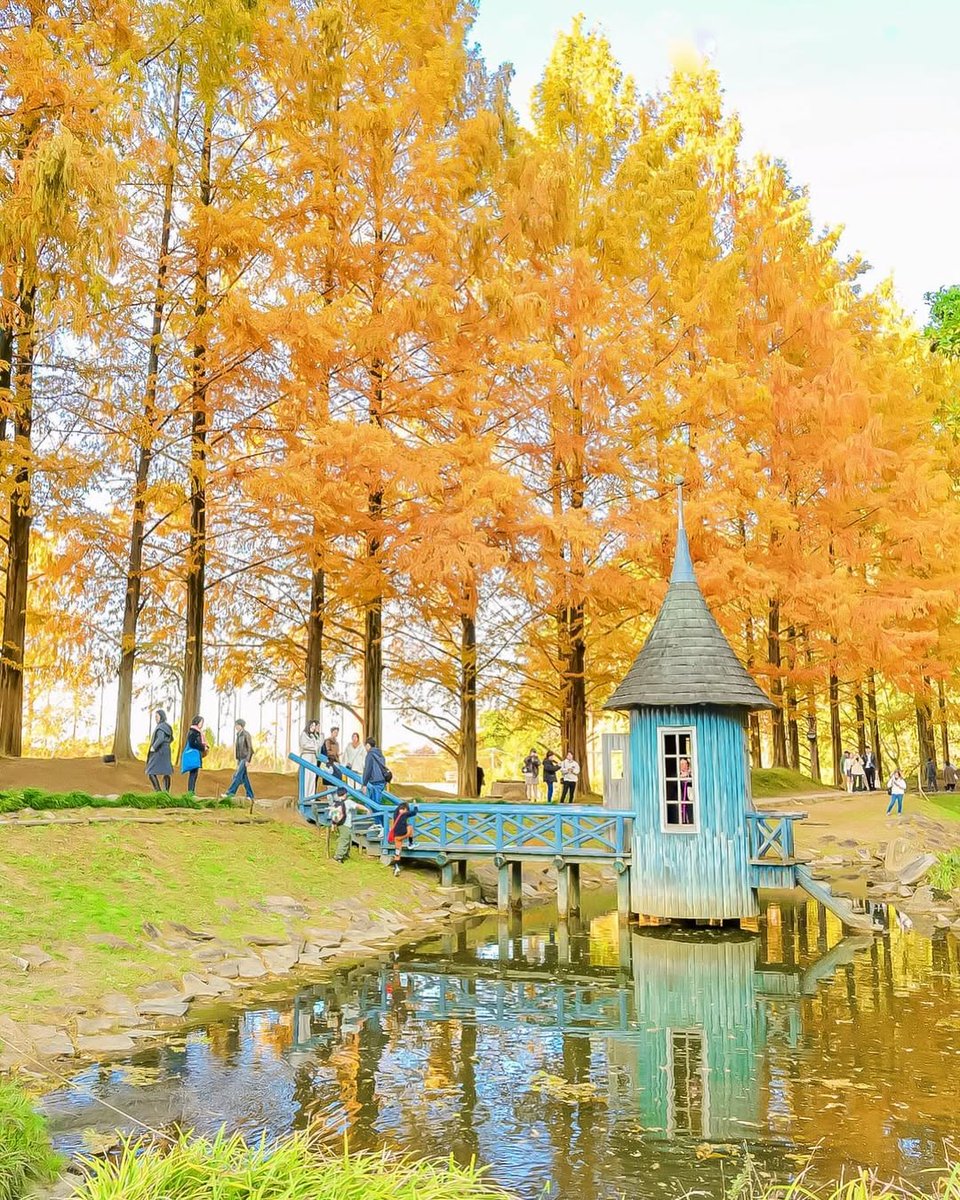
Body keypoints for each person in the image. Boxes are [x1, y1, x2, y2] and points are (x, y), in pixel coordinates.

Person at [330, 787, 367, 863]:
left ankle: (345, 854)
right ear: (345, 794)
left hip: (339, 824)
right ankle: (338, 857)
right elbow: (357, 806)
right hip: (346, 824)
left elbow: (333, 815)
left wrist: (333, 825)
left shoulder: (335, 803)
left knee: (347, 839)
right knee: (344, 840)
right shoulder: (348, 802)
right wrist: (366, 809)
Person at [225, 718, 255, 800]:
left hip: (245, 758)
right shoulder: (238, 735)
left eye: (237, 725)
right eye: (235, 725)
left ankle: (230, 793)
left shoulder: (246, 734)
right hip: (240, 759)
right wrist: (237, 759)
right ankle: (250, 795)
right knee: (244, 778)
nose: (236, 726)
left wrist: (248, 760)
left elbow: (250, 748)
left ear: (241, 725)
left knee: (237, 775)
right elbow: (238, 749)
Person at [388, 798, 419, 876]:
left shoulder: (395, 813)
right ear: (405, 809)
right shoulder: (405, 813)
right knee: (410, 827)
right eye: (407, 809)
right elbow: (415, 812)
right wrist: (415, 805)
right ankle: (410, 843)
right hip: (404, 834)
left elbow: (398, 808)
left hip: (396, 837)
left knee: (397, 852)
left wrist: (404, 804)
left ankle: (396, 867)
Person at [145, 709, 174, 793]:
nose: (155, 718)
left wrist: (154, 747)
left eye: (157, 716)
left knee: (150, 771)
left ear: (161, 716)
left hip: (159, 751)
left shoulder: (161, 726)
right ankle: (166, 792)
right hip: (166, 751)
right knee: (166, 772)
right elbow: (170, 738)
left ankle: (158, 792)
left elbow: (160, 738)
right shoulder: (167, 726)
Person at [181, 715, 208, 794]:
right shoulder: (193, 731)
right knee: (193, 774)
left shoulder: (197, 731)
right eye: (201, 722)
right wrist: (202, 747)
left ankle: (192, 791)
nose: (202, 724)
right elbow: (192, 743)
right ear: (197, 722)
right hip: (193, 755)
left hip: (196, 755)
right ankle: (190, 792)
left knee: (194, 774)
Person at [361, 737, 390, 806]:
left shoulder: (370, 755)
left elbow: (368, 769)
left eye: (365, 745)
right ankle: (377, 816)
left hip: (375, 781)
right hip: (382, 780)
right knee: (376, 803)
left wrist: (364, 784)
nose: (365, 748)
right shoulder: (380, 754)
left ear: (368, 745)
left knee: (375, 805)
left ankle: (377, 816)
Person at [679, 756, 694, 824]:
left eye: (685, 764)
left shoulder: (691, 775)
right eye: (682, 764)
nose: (684, 766)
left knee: (690, 815)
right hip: (680, 799)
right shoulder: (677, 775)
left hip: (689, 799)